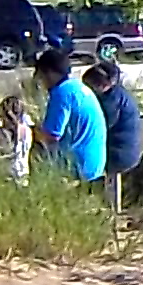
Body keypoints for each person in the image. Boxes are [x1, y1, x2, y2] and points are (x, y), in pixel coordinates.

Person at [33, 49, 106, 186]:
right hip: (95, 163)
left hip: (77, 167)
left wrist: (29, 130)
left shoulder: (61, 93)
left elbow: (51, 136)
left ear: (48, 73)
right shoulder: (78, 87)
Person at [87, 57, 143, 184]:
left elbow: (100, 126)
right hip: (131, 149)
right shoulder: (118, 94)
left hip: (121, 152)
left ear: (102, 84)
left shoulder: (111, 100)